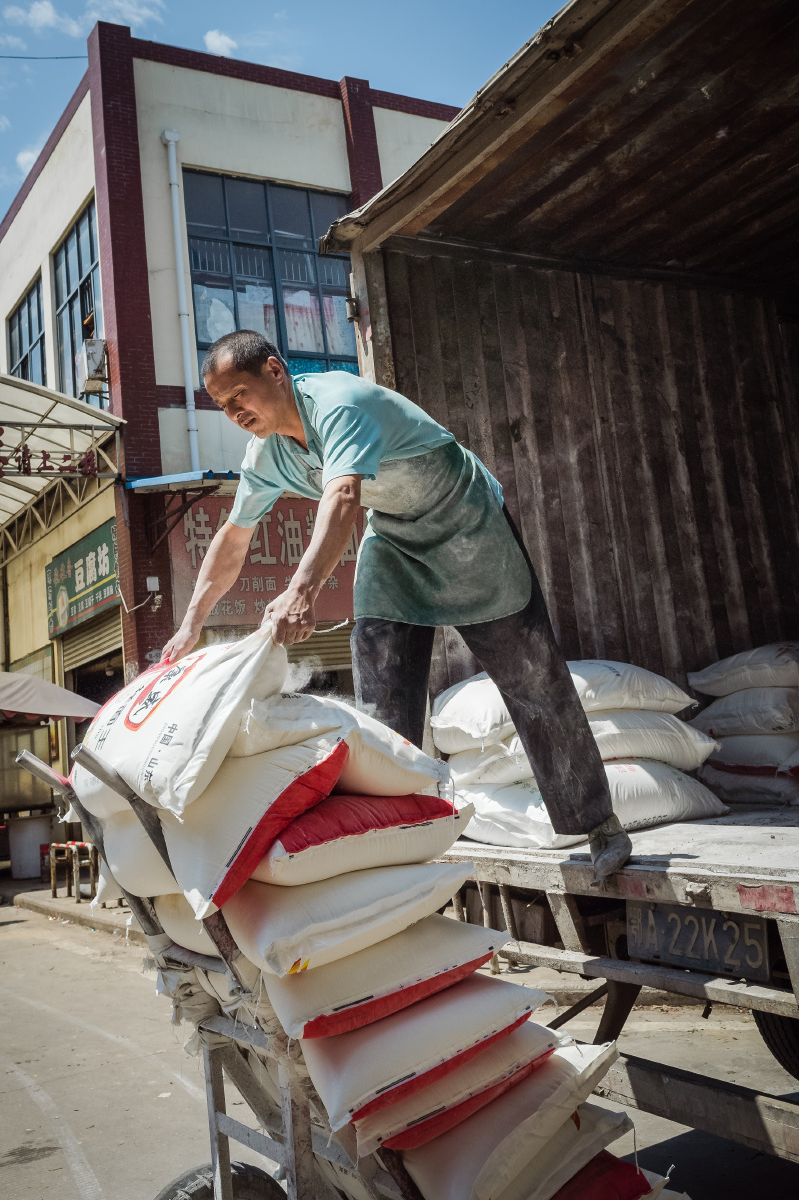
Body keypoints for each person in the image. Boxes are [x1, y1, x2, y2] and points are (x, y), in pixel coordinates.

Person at [162, 330, 631, 879]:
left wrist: (301, 590)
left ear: (273, 370)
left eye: (238, 395)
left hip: (466, 521)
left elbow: (341, 499)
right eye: (222, 406)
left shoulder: (339, 404)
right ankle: (393, 832)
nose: (233, 412)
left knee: (533, 676)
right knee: (379, 681)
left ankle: (600, 825)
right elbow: (234, 538)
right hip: (395, 541)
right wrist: (190, 624)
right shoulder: (267, 454)